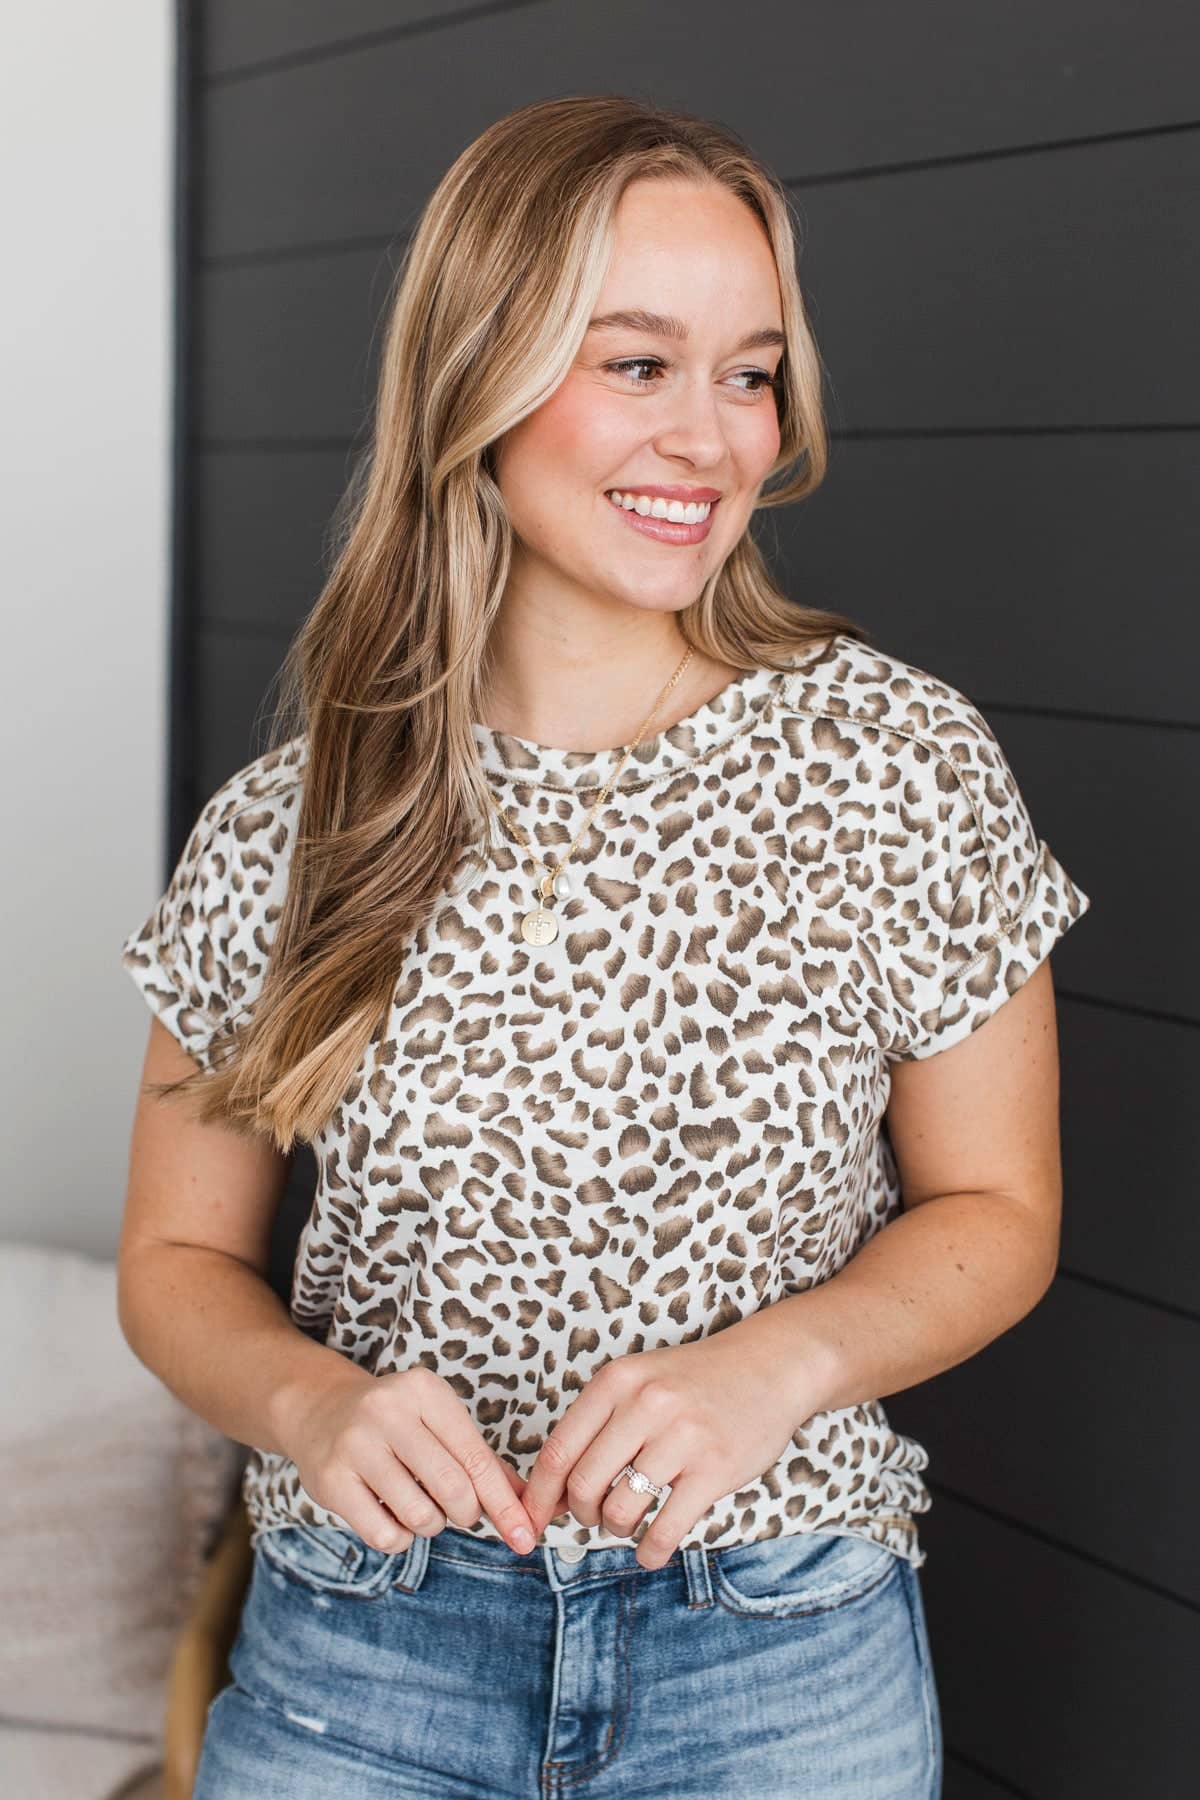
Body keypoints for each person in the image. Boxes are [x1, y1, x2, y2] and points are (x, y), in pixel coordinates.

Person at [117, 94, 1090, 1799]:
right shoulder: (294, 821)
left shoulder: (896, 765)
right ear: (473, 379)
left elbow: (1000, 1212)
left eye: (750, 373)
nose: (710, 439)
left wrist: (778, 1366)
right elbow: (176, 1260)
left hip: (778, 1661)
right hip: (366, 1660)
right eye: (637, 363)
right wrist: (308, 1405)